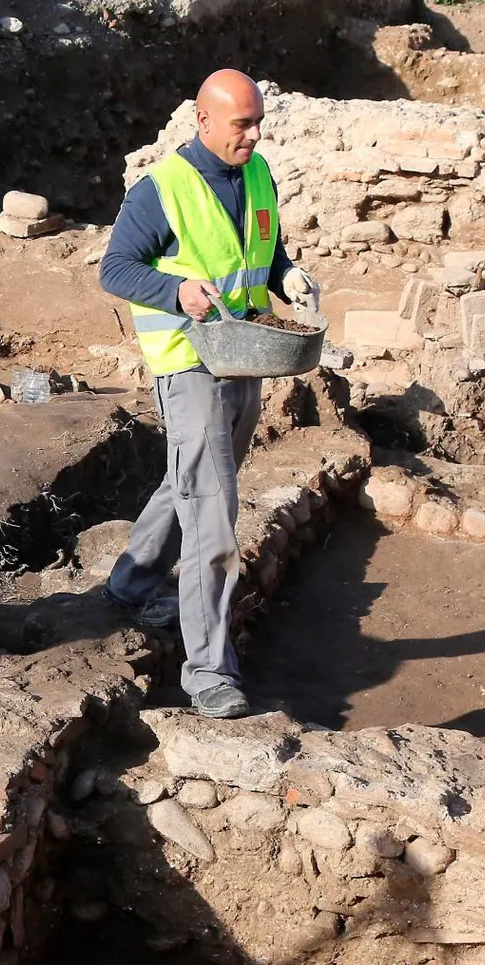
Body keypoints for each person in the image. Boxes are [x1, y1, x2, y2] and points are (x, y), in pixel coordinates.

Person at [96, 69, 319, 719]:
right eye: (241, 124)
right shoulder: (160, 190)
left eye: (258, 122)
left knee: (193, 483)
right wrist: (177, 292)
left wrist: (289, 272)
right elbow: (116, 268)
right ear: (203, 121)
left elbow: (264, 247)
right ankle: (208, 673)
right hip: (188, 360)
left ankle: (132, 580)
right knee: (215, 515)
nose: (254, 135)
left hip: (243, 351)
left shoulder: (257, 173)